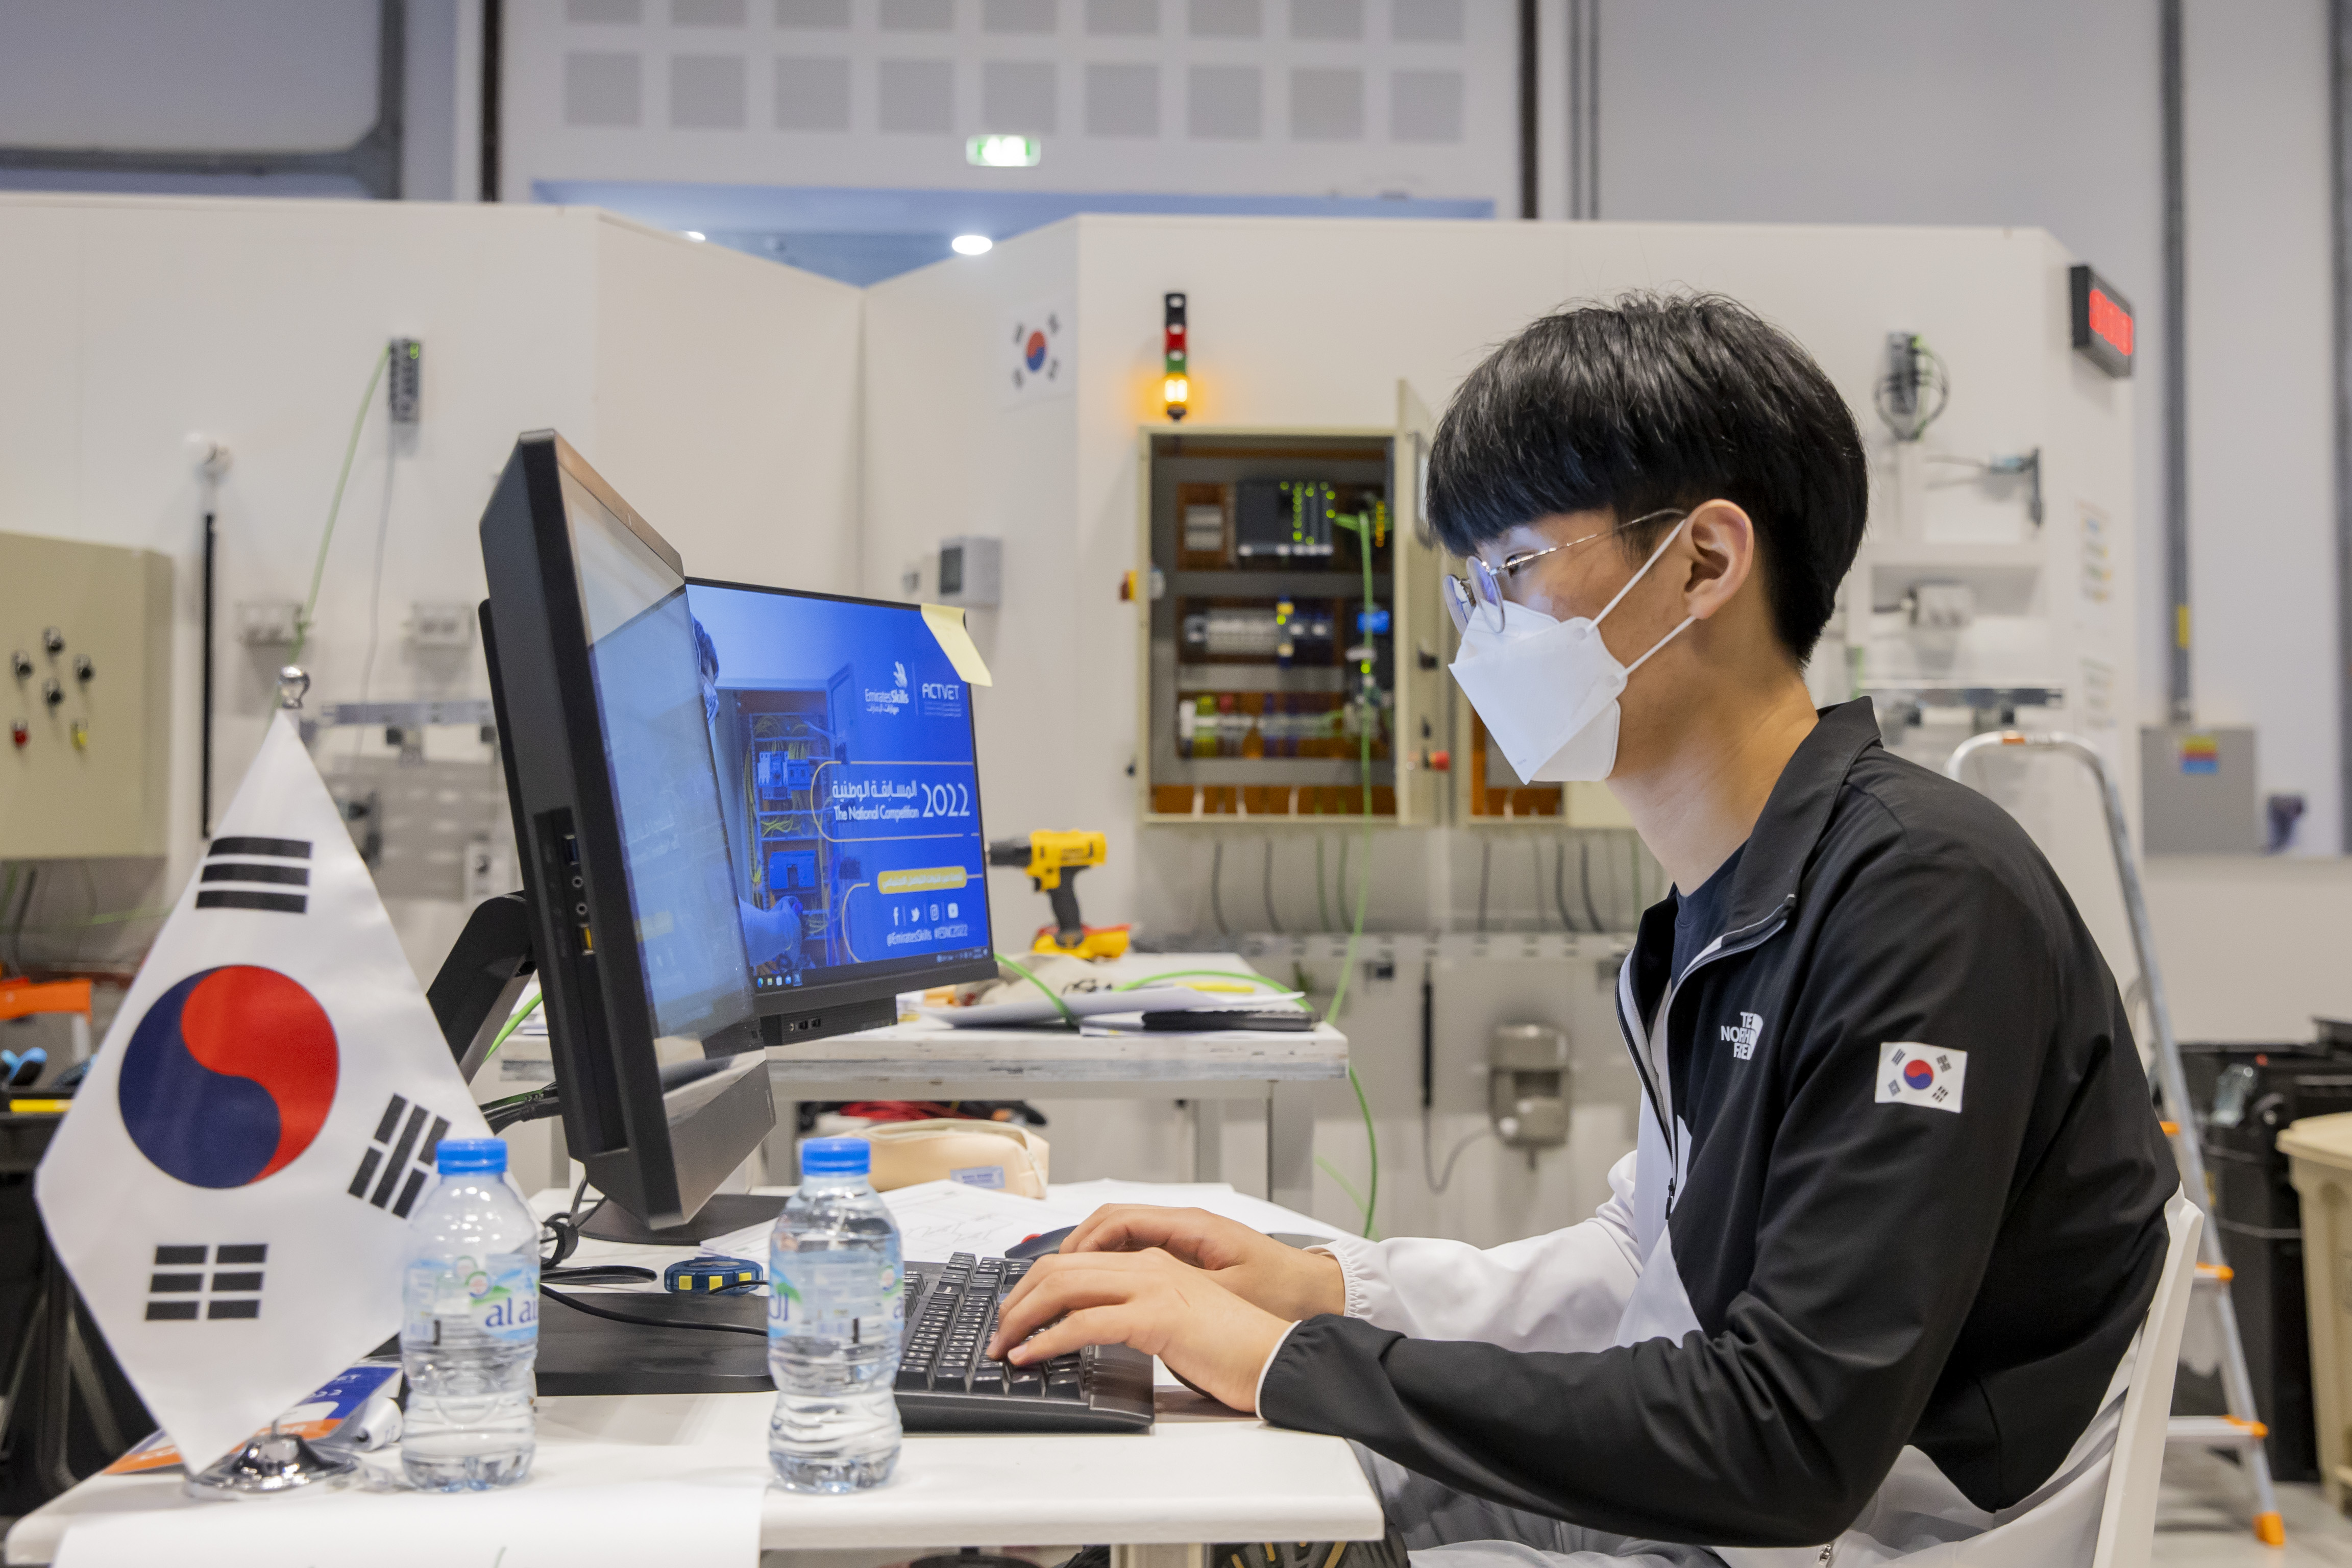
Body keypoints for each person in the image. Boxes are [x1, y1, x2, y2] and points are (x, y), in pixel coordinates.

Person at [989, 293, 2178, 1566]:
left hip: (1873, 1536)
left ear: (1706, 563)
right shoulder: (1725, 903)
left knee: (1275, 1508)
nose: (1479, 635)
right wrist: (1326, 1291)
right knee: (1251, 1500)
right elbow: (1641, 1263)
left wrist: (1294, 1361)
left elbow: (1790, 1444)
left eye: (1510, 573)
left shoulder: (1924, 902)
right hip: (1755, 1507)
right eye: (1469, 589)